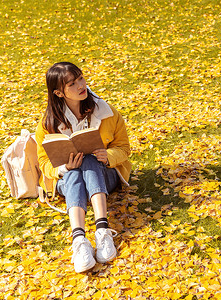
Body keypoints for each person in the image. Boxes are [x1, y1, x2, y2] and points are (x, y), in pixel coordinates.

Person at [35, 62, 131, 273]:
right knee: (73, 172)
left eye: (80, 78)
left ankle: (102, 231)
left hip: (104, 174)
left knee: (88, 160)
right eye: (72, 83)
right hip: (69, 181)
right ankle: (79, 241)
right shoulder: (47, 123)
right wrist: (63, 168)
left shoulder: (105, 111)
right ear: (59, 93)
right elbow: (43, 162)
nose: (81, 85)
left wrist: (108, 156)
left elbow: (124, 147)